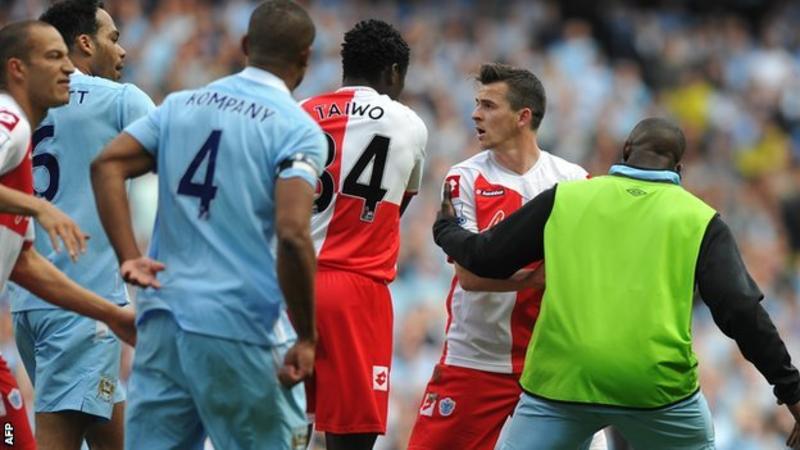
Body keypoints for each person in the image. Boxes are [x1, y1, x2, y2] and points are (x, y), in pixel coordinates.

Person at [432, 117, 800, 449]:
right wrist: (791, 391)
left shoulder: (568, 197)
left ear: (625, 151)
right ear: (679, 168)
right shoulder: (700, 219)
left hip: (561, 382)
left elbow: (484, 256)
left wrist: (447, 229)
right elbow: (740, 310)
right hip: (656, 390)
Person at [90, 1, 325, 448]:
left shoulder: (180, 106)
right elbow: (294, 235)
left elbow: (107, 164)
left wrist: (130, 258)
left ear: (245, 46)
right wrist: (309, 336)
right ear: (306, 58)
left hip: (162, 321)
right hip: (239, 326)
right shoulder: (297, 129)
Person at [408, 62, 605, 450]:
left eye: (488, 105)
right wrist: (535, 279)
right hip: (476, 358)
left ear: (522, 117)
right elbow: (469, 275)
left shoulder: (573, 180)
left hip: (550, 362)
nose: (475, 114)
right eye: (476, 104)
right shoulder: (462, 177)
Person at [9, 2, 154, 449]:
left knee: (116, 437)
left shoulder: (27, 107)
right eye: (113, 37)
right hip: (83, 308)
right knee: (58, 437)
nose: (123, 51)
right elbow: (183, 151)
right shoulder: (121, 99)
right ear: (85, 43)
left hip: (30, 301)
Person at [299, 19, 427, 450]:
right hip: (357, 289)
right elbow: (400, 204)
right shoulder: (409, 124)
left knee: (284, 426)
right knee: (351, 435)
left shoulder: (300, 113)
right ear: (393, 72)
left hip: (291, 281)